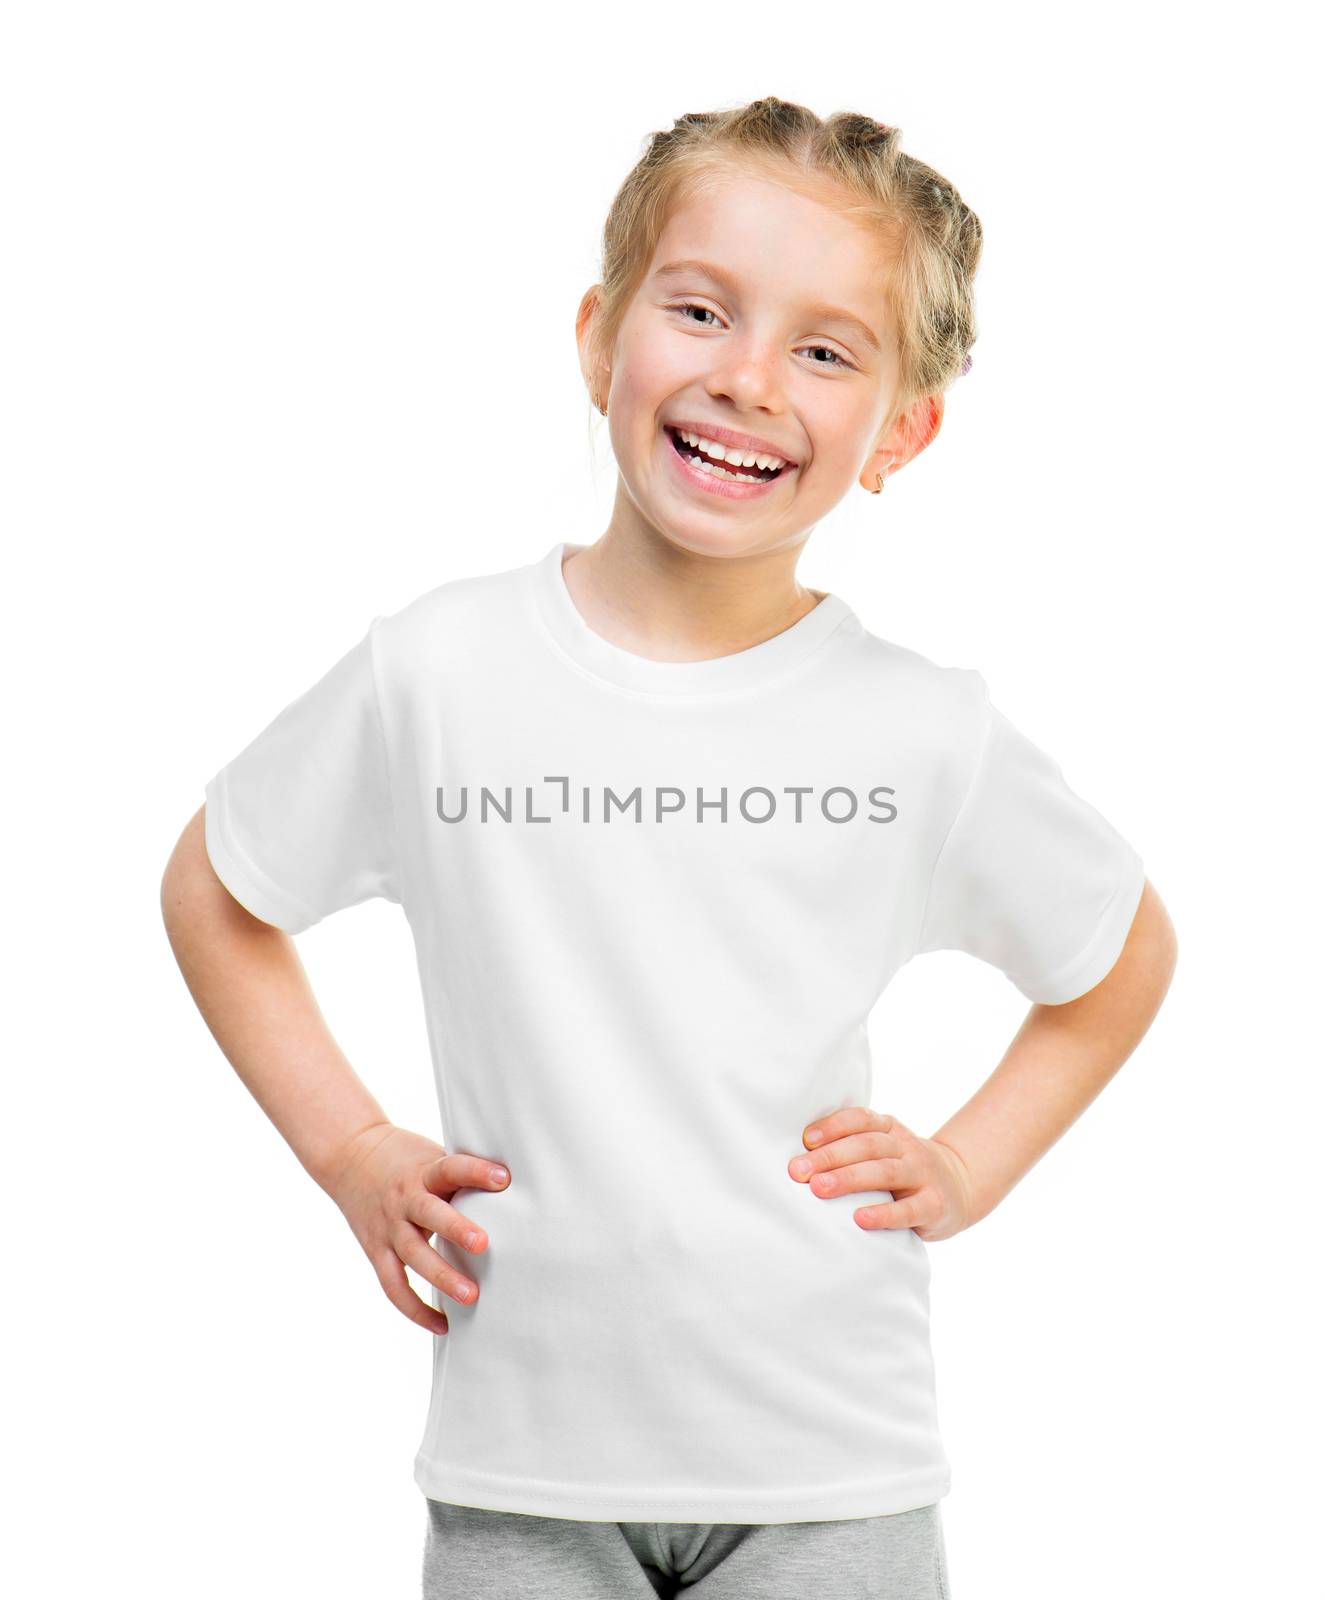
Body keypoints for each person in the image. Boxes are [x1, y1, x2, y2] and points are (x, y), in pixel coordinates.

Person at [162, 97, 1178, 1600]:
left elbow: (1118, 957)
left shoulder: (922, 733)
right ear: (598, 338)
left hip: (831, 1471)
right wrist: (351, 1150)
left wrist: (964, 1165)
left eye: (826, 350)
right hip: (522, 1472)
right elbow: (218, 891)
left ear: (900, 429)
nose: (747, 378)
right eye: (699, 309)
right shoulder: (435, 673)